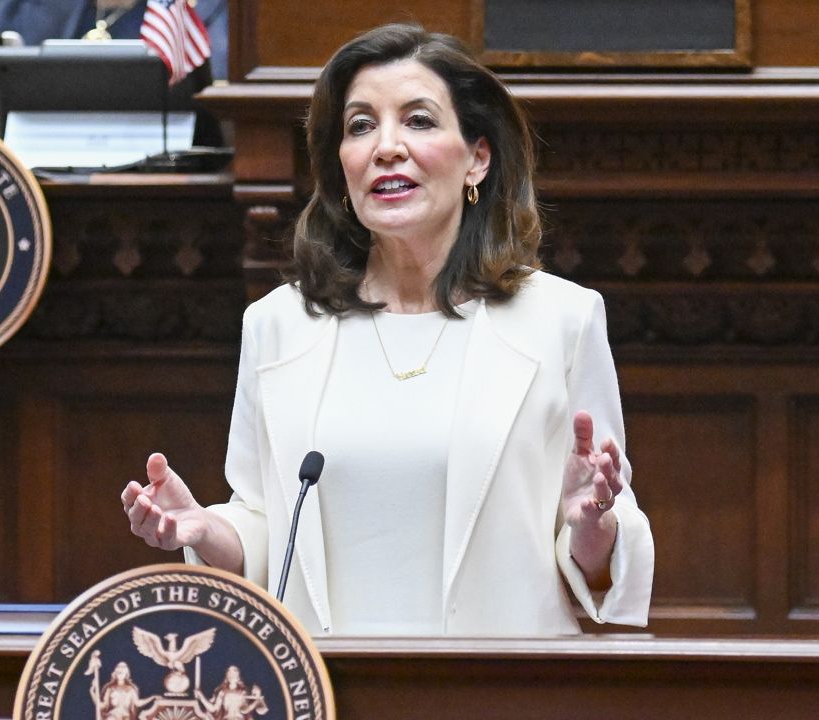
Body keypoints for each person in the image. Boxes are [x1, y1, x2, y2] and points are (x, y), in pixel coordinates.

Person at [120, 23, 654, 637]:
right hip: (327, 686)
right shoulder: (279, 324)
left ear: (477, 157)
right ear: (341, 166)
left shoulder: (560, 319)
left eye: (419, 121)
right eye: (360, 125)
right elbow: (267, 532)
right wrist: (205, 529)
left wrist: (594, 526)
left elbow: (596, 559)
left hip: (503, 687)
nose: (386, 147)